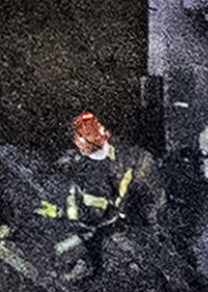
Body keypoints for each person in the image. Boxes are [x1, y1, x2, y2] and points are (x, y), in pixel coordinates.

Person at [34, 111, 163, 281]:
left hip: (127, 221)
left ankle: (83, 264)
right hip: (144, 212)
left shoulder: (97, 175)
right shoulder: (125, 154)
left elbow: (93, 215)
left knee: (65, 241)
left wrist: (58, 212)